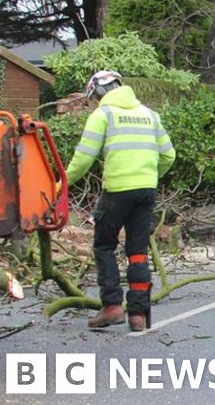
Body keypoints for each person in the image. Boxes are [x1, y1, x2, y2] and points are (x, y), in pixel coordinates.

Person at [64, 70, 176, 331]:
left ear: (97, 93)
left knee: (104, 245)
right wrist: (150, 176)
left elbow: (83, 158)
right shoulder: (150, 115)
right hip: (146, 190)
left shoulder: (104, 115)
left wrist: (61, 184)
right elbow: (169, 155)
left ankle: (112, 306)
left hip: (117, 191)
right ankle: (138, 314)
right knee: (138, 251)